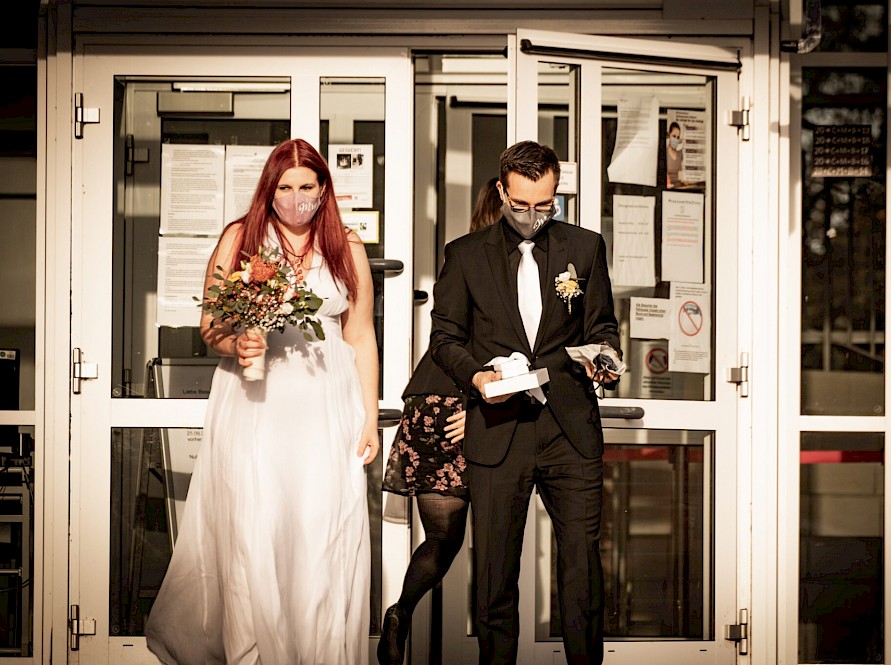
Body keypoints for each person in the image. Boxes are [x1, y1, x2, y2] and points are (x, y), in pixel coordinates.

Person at [146, 138, 380, 665]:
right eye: (285, 188)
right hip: (258, 402)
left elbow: (360, 335)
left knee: (322, 529)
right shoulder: (240, 238)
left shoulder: (347, 245)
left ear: (323, 190)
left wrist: (369, 418)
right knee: (257, 526)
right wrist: (238, 341)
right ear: (269, 190)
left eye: (306, 187)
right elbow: (211, 326)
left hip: (326, 404)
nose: (296, 198)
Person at [430, 141, 620, 665]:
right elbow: (444, 339)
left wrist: (602, 355)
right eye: (521, 205)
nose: (533, 218)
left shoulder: (585, 248)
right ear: (501, 191)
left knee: (582, 567)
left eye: (545, 205)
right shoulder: (464, 255)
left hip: (570, 431)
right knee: (494, 573)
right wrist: (477, 377)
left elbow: (602, 324)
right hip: (498, 427)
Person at [376, 175, 503, 665]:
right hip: (469, 401)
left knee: (443, 538)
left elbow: (445, 338)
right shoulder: (505, 267)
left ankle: (401, 613)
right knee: (493, 537)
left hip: (429, 400)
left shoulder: (462, 257)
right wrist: (472, 408)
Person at [666, 120, 684, 189]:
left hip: (681, 189)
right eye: (674, 136)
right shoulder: (664, 154)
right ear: (669, 135)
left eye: (678, 137)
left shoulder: (681, 154)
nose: (676, 139)